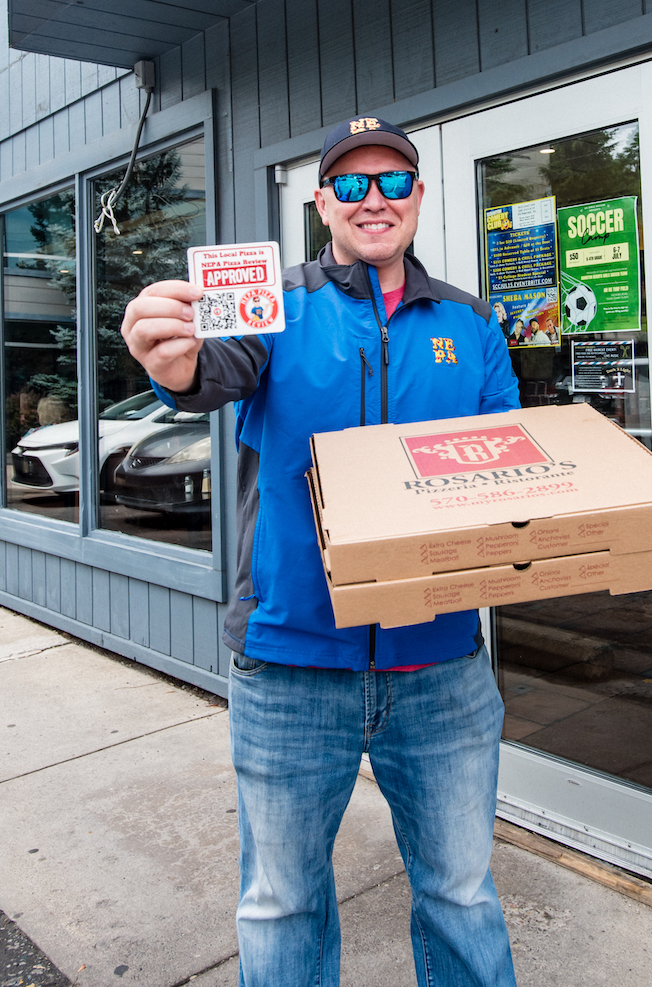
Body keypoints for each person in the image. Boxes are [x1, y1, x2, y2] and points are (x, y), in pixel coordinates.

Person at [120, 116, 519, 987]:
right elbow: (206, 373)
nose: (371, 199)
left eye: (390, 182)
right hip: (293, 662)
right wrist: (169, 357)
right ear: (321, 203)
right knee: (283, 901)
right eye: (349, 185)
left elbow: (508, 463)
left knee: (462, 896)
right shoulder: (273, 303)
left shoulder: (471, 321)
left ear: (418, 195)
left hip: (441, 664)